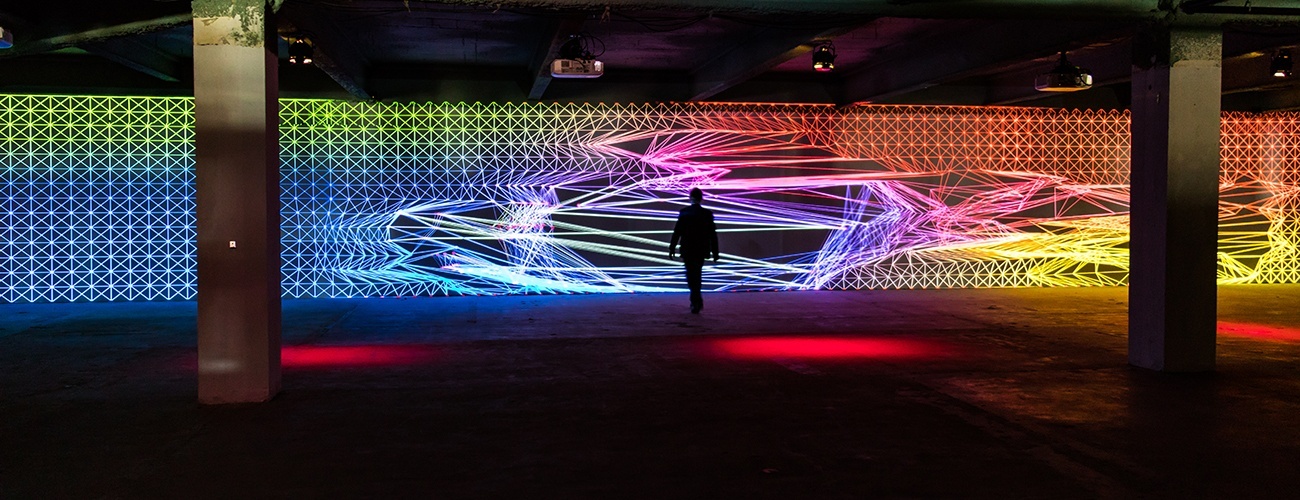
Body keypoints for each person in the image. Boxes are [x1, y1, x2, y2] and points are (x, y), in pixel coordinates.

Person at [669, 188, 719, 314]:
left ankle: (695, 299)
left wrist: (672, 247)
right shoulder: (707, 214)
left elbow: (677, 231)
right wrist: (715, 251)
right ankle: (696, 299)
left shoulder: (684, 212)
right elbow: (712, 234)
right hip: (701, 249)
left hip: (688, 248)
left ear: (690, 197)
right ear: (701, 198)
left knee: (691, 274)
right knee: (697, 274)